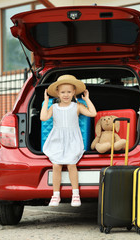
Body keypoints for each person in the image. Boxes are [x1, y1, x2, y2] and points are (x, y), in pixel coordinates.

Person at [40, 75, 97, 207]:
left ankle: (75, 195)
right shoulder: (53, 108)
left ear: (73, 93)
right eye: (63, 92)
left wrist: (87, 99)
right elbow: (43, 117)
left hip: (72, 140)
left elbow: (93, 113)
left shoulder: (76, 106)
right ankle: (55, 195)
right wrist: (45, 100)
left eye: (69, 92)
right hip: (57, 140)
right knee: (56, 166)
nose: (66, 95)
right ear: (58, 93)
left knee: (72, 165)